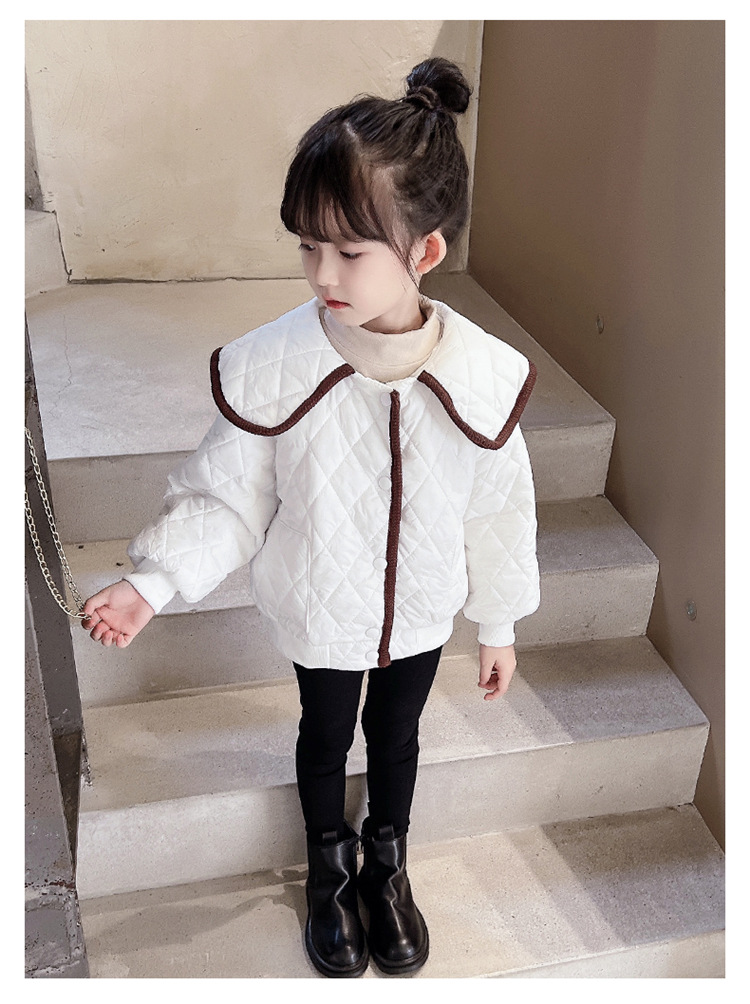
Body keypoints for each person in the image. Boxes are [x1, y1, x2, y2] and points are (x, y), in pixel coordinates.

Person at [81, 57, 540, 979]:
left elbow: (500, 510)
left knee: (398, 737)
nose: (321, 273)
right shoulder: (276, 367)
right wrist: (152, 582)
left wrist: (499, 622)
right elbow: (227, 495)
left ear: (424, 252)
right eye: (307, 246)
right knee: (326, 736)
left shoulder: (482, 377)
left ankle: (386, 865)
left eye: (350, 252)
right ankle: (328, 870)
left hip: (421, 608)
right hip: (320, 606)